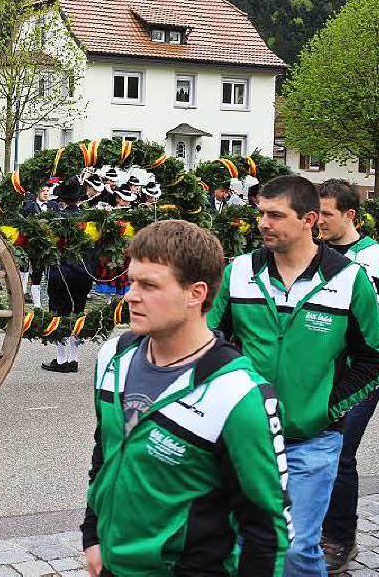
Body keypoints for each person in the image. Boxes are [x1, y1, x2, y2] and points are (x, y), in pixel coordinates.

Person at [82, 219, 292, 577]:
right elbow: (106, 450)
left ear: (196, 294)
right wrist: (92, 536)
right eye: (131, 281)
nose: (131, 295)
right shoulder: (113, 356)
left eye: (149, 285)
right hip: (111, 565)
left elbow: (267, 530)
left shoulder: (238, 394)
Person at [207, 175, 379, 577]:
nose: (263, 223)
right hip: (246, 440)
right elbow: (207, 341)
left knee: (296, 549)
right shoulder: (239, 272)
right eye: (260, 214)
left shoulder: (347, 279)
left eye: (275, 215)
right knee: (241, 546)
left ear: (309, 219)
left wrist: (326, 406)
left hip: (312, 442)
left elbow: (375, 357)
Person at [316, 179, 379, 573]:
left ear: (350, 215)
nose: (318, 221)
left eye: (326, 214)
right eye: (316, 213)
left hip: (361, 376)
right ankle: (311, 529)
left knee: (341, 455)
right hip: (314, 376)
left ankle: (341, 539)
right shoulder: (311, 254)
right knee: (310, 453)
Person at [43, 177, 92, 373]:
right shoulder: (89, 221)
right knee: (78, 313)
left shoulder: (56, 220)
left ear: (62, 199)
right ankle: (74, 359)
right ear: (79, 199)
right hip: (83, 272)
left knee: (60, 314)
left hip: (61, 272)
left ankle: (62, 360)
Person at [21, 183, 56, 308]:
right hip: (34, 247)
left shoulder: (54, 206)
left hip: (51, 247)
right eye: (43, 191)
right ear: (37, 193)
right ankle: (37, 304)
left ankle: (51, 301)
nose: (46, 193)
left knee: (51, 275)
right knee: (36, 274)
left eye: (47, 191)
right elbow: (23, 227)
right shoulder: (29, 208)